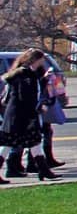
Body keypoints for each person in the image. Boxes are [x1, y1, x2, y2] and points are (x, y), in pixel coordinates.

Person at [1, 50, 61, 182]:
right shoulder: (25, 75)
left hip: (18, 114)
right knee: (8, 144)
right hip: (20, 116)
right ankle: (44, 171)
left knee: (34, 142)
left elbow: (31, 92)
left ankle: (44, 171)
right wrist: (38, 107)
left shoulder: (26, 74)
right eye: (41, 60)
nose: (42, 63)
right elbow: (24, 96)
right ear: (35, 60)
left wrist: (44, 80)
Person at [38, 58, 68, 171]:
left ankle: (47, 159)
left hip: (46, 105)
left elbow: (58, 87)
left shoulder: (47, 73)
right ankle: (39, 162)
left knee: (46, 132)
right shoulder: (32, 73)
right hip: (40, 107)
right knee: (38, 135)